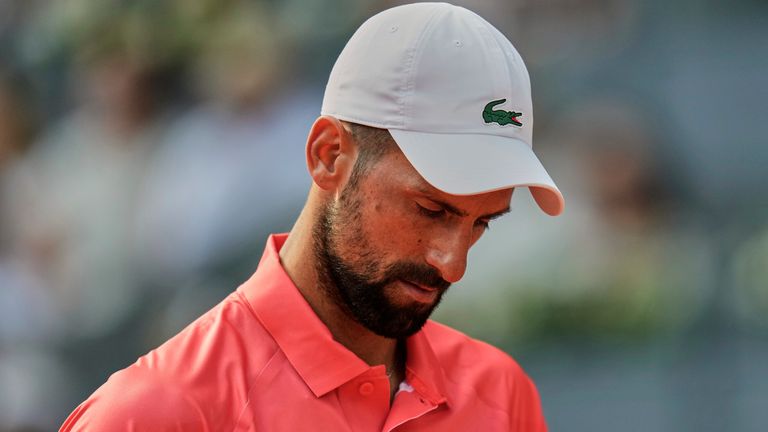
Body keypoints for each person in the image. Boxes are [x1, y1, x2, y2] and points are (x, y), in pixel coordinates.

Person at [60, 3, 564, 431]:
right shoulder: (152, 414)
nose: (453, 264)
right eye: (430, 209)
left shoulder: (503, 393)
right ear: (328, 156)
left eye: (482, 222)